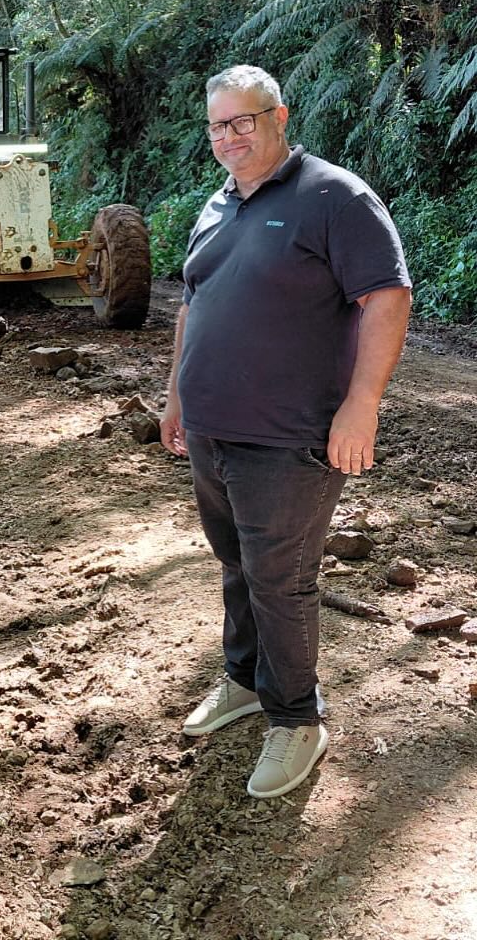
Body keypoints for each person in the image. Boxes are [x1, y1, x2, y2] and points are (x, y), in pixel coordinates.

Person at [160, 64, 411, 800]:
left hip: (289, 437)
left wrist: (362, 404)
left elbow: (387, 297)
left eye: (244, 120)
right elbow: (193, 304)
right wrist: (175, 397)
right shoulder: (217, 204)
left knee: (281, 579)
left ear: (279, 117)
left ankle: (297, 719)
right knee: (236, 563)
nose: (229, 137)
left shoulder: (334, 197)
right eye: (218, 126)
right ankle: (243, 679)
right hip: (212, 429)